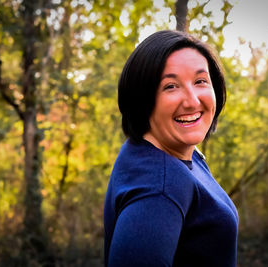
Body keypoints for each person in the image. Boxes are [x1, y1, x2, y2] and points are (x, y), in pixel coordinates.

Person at [104, 30, 238, 267]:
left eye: (200, 81)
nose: (192, 101)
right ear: (143, 98)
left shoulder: (164, 151)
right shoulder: (160, 189)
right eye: (171, 86)